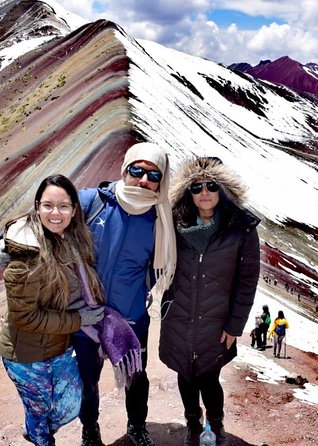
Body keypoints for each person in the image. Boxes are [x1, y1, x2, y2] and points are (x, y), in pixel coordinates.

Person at [73, 142, 176, 446]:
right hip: (86, 315)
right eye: (137, 171)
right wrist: (7, 245)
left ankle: (137, 425)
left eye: (153, 176)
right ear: (124, 170)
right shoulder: (92, 202)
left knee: (136, 377)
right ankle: (90, 430)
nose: (144, 180)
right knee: (86, 381)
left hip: (131, 317)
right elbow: (45, 217)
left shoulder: (160, 219)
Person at [0, 174, 106, 446]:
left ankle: (36, 429)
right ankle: (39, 436)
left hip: (57, 345)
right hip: (26, 354)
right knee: (40, 413)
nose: (55, 213)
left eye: (63, 206)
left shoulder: (71, 239)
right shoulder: (26, 256)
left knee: (71, 403)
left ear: (74, 209)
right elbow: (25, 318)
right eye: (48, 206)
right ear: (37, 207)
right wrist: (79, 319)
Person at [159, 157, 260, 446]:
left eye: (211, 186)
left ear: (223, 190)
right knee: (185, 372)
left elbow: (247, 280)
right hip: (178, 315)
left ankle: (215, 425)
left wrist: (235, 325)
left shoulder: (241, 228)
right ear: (186, 192)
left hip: (217, 320)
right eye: (196, 187)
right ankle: (193, 422)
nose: (204, 192)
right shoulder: (174, 223)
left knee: (208, 375)